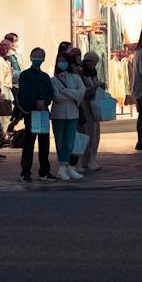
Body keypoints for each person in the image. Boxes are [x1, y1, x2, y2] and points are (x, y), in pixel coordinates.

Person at [15, 46, 56, 182]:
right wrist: (35, 102)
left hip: (44, 112)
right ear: (31, 57)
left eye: (40, 56)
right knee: (29, 143)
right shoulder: (25, 75)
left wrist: (45, 102)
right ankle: (25, 171)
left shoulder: (45, 77)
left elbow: (50, 92)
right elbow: (24, 93)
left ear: (43, 59)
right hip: (31, 113)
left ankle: (44, 171)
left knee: (44, 143)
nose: (37, 58)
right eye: (35, 55)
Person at [51, 43, 86, 180]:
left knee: (70, 141)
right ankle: (62, 166)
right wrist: (72, 94)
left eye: (65, 61)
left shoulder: (76, 78)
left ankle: (68, 167)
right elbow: (56, 97)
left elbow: (81, 93)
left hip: (73, 113)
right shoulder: (53, 80)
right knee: (60, 141)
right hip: (58, 114)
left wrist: (66, 91)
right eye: (60, 61)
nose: (62, 63)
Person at [79, 50, 106, 172]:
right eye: (93, 62)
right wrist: (96, 86)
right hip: (86, 106)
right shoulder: (81, 74)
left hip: (94, 106)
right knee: (88, 134)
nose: (94, 65)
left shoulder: (92, 72)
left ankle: (92, 158)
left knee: (95, 134)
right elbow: (84, 91)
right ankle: (86, 160)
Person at [0, 34, 23, 140]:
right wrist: (0, 91)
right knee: (4, 115)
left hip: (7, 88)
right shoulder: (0, 61)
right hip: (4, 89)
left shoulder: (4, 60)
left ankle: (4, 134)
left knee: (7, 114)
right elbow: (0, 77)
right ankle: (2, 135)